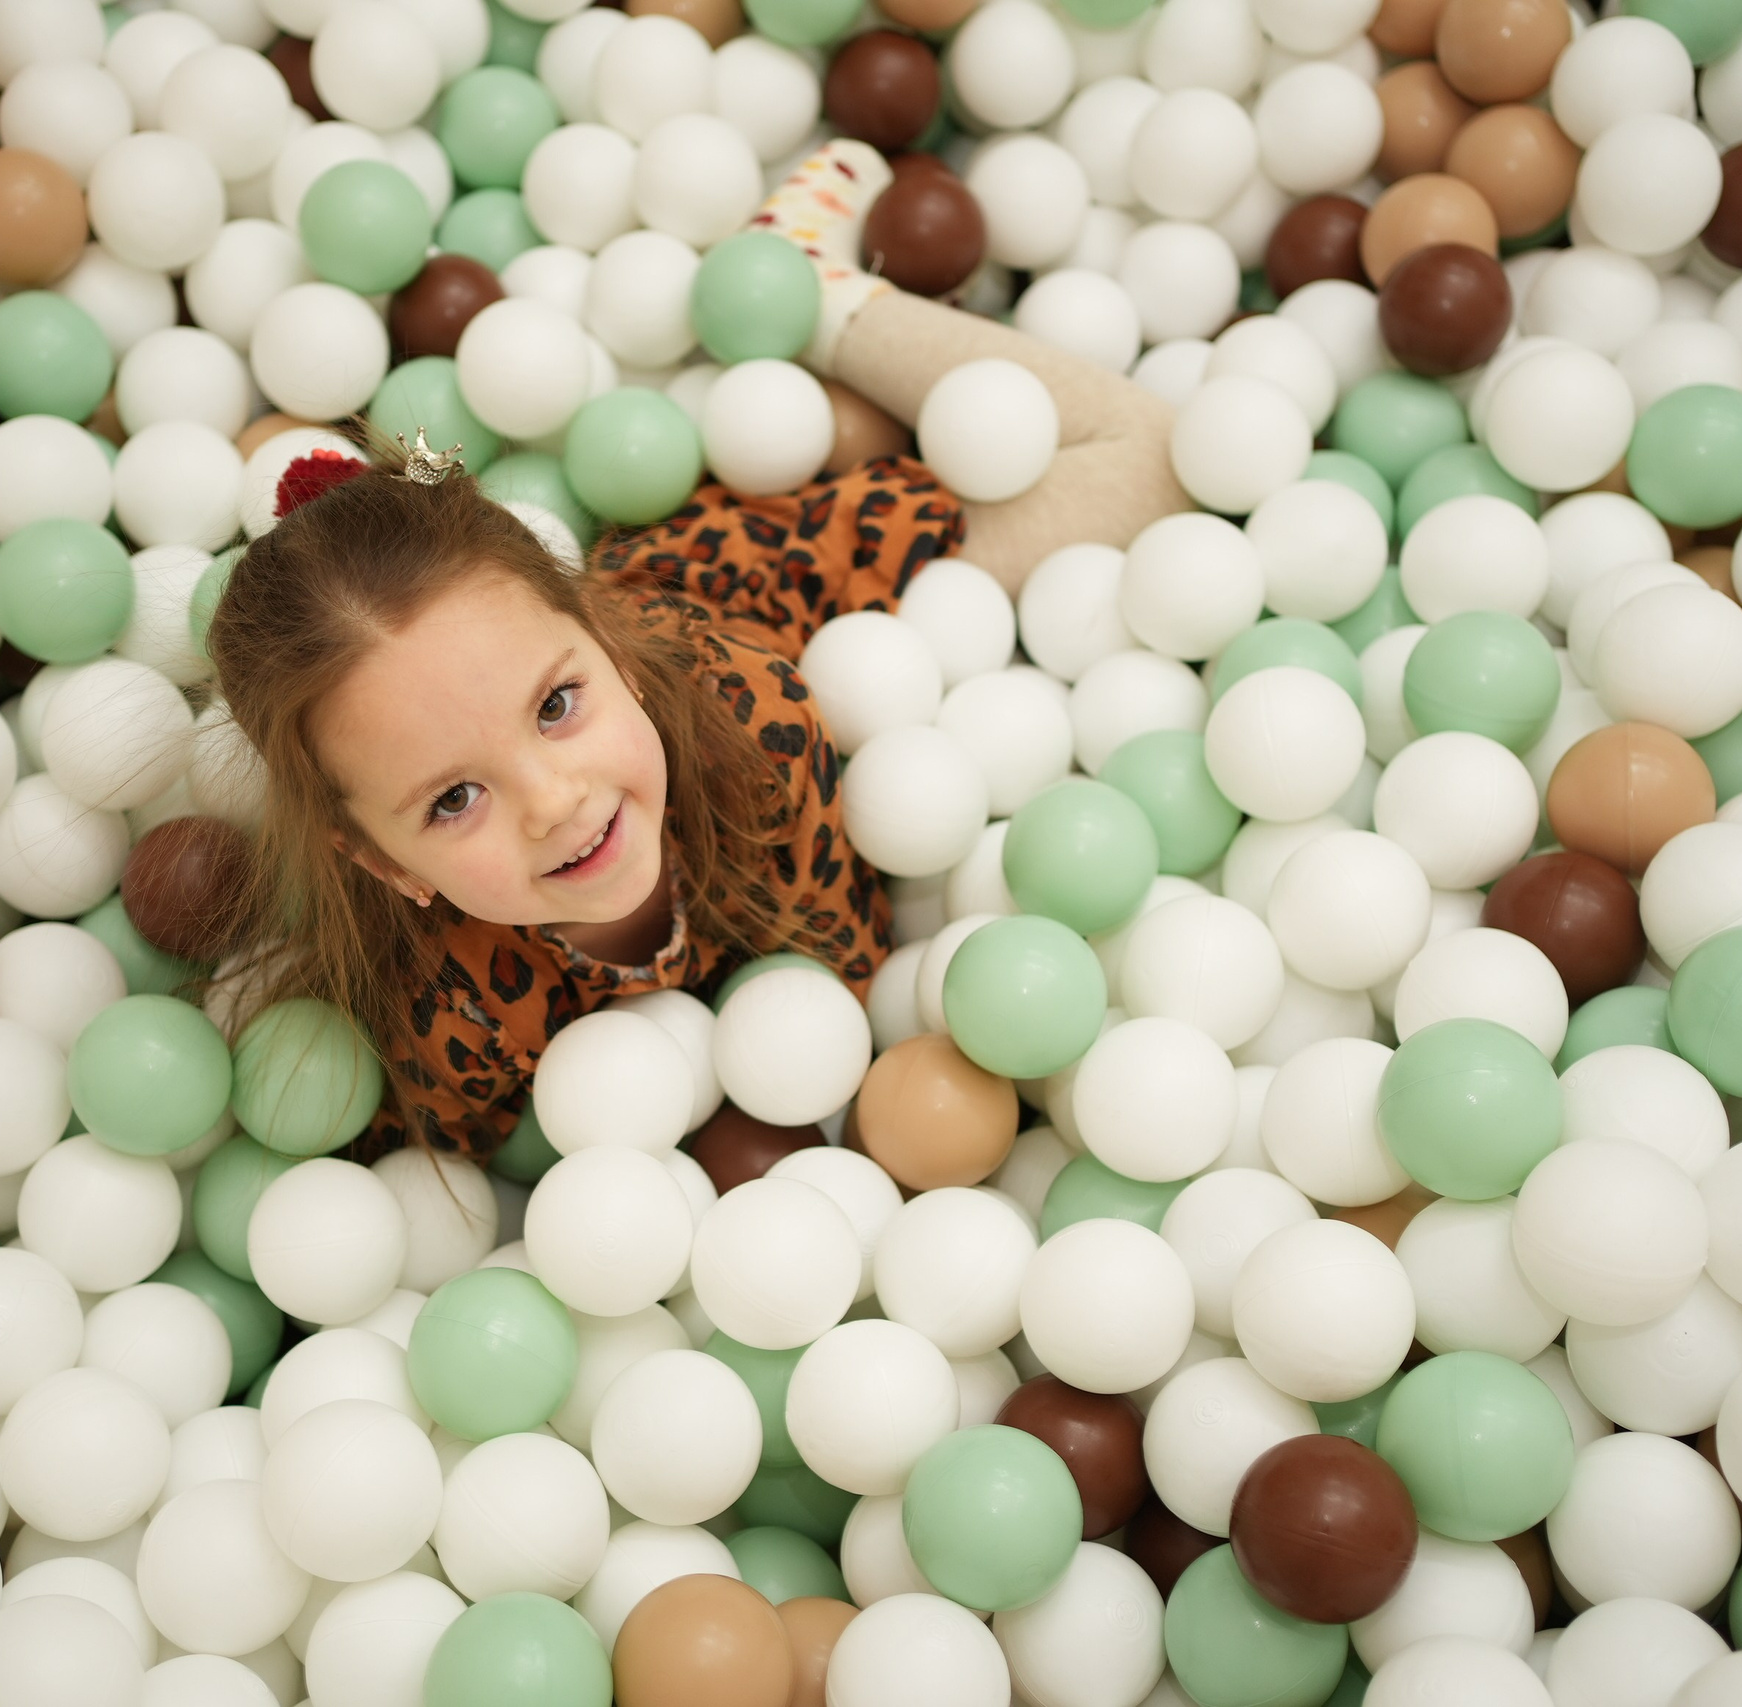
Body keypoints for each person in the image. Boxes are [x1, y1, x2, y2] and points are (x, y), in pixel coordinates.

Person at [207, 139, 1185, 1161]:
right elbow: (477, 1163)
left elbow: (844, 987)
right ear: (381, 862)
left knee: (1151, 462)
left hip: (762, 580)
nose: (554, 802)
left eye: (556, 706)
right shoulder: (453, 1017)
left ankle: (817, 288)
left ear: (608, 650)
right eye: (453, 801)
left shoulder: (754, 733)